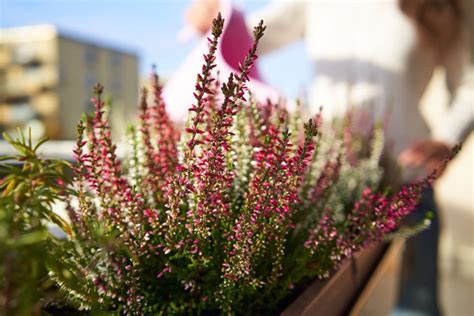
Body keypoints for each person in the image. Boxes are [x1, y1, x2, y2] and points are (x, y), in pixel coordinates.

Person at [185, 0, 473, 315]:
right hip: (329, 189)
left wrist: (448, 138)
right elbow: (251, 34)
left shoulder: (441, 7)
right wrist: (220, 17)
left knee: (416, 307)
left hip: (406, 184)